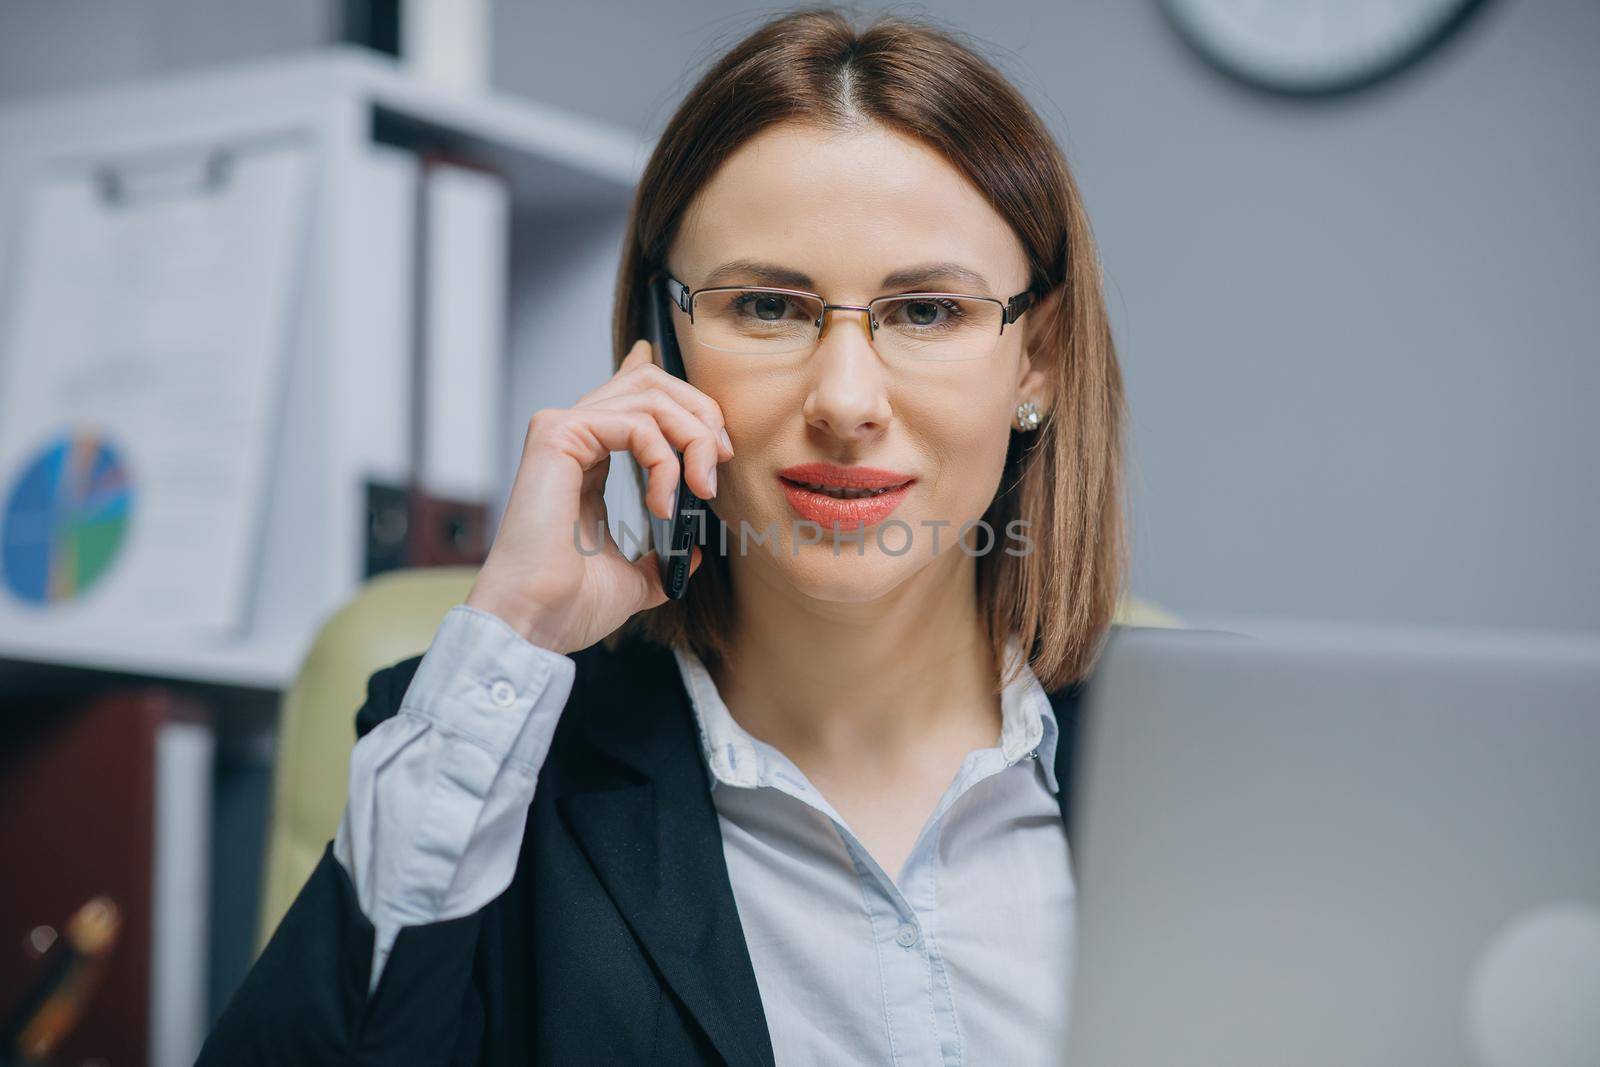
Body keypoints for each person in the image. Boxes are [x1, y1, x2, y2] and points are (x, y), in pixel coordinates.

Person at [201, 7, 1128, 1065]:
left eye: (925, 312)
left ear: (1037, 362)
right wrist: (512, 630)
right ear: (664, 342)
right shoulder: (494, 760)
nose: (844, 399)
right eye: (768, 306)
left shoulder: (1192, 774)